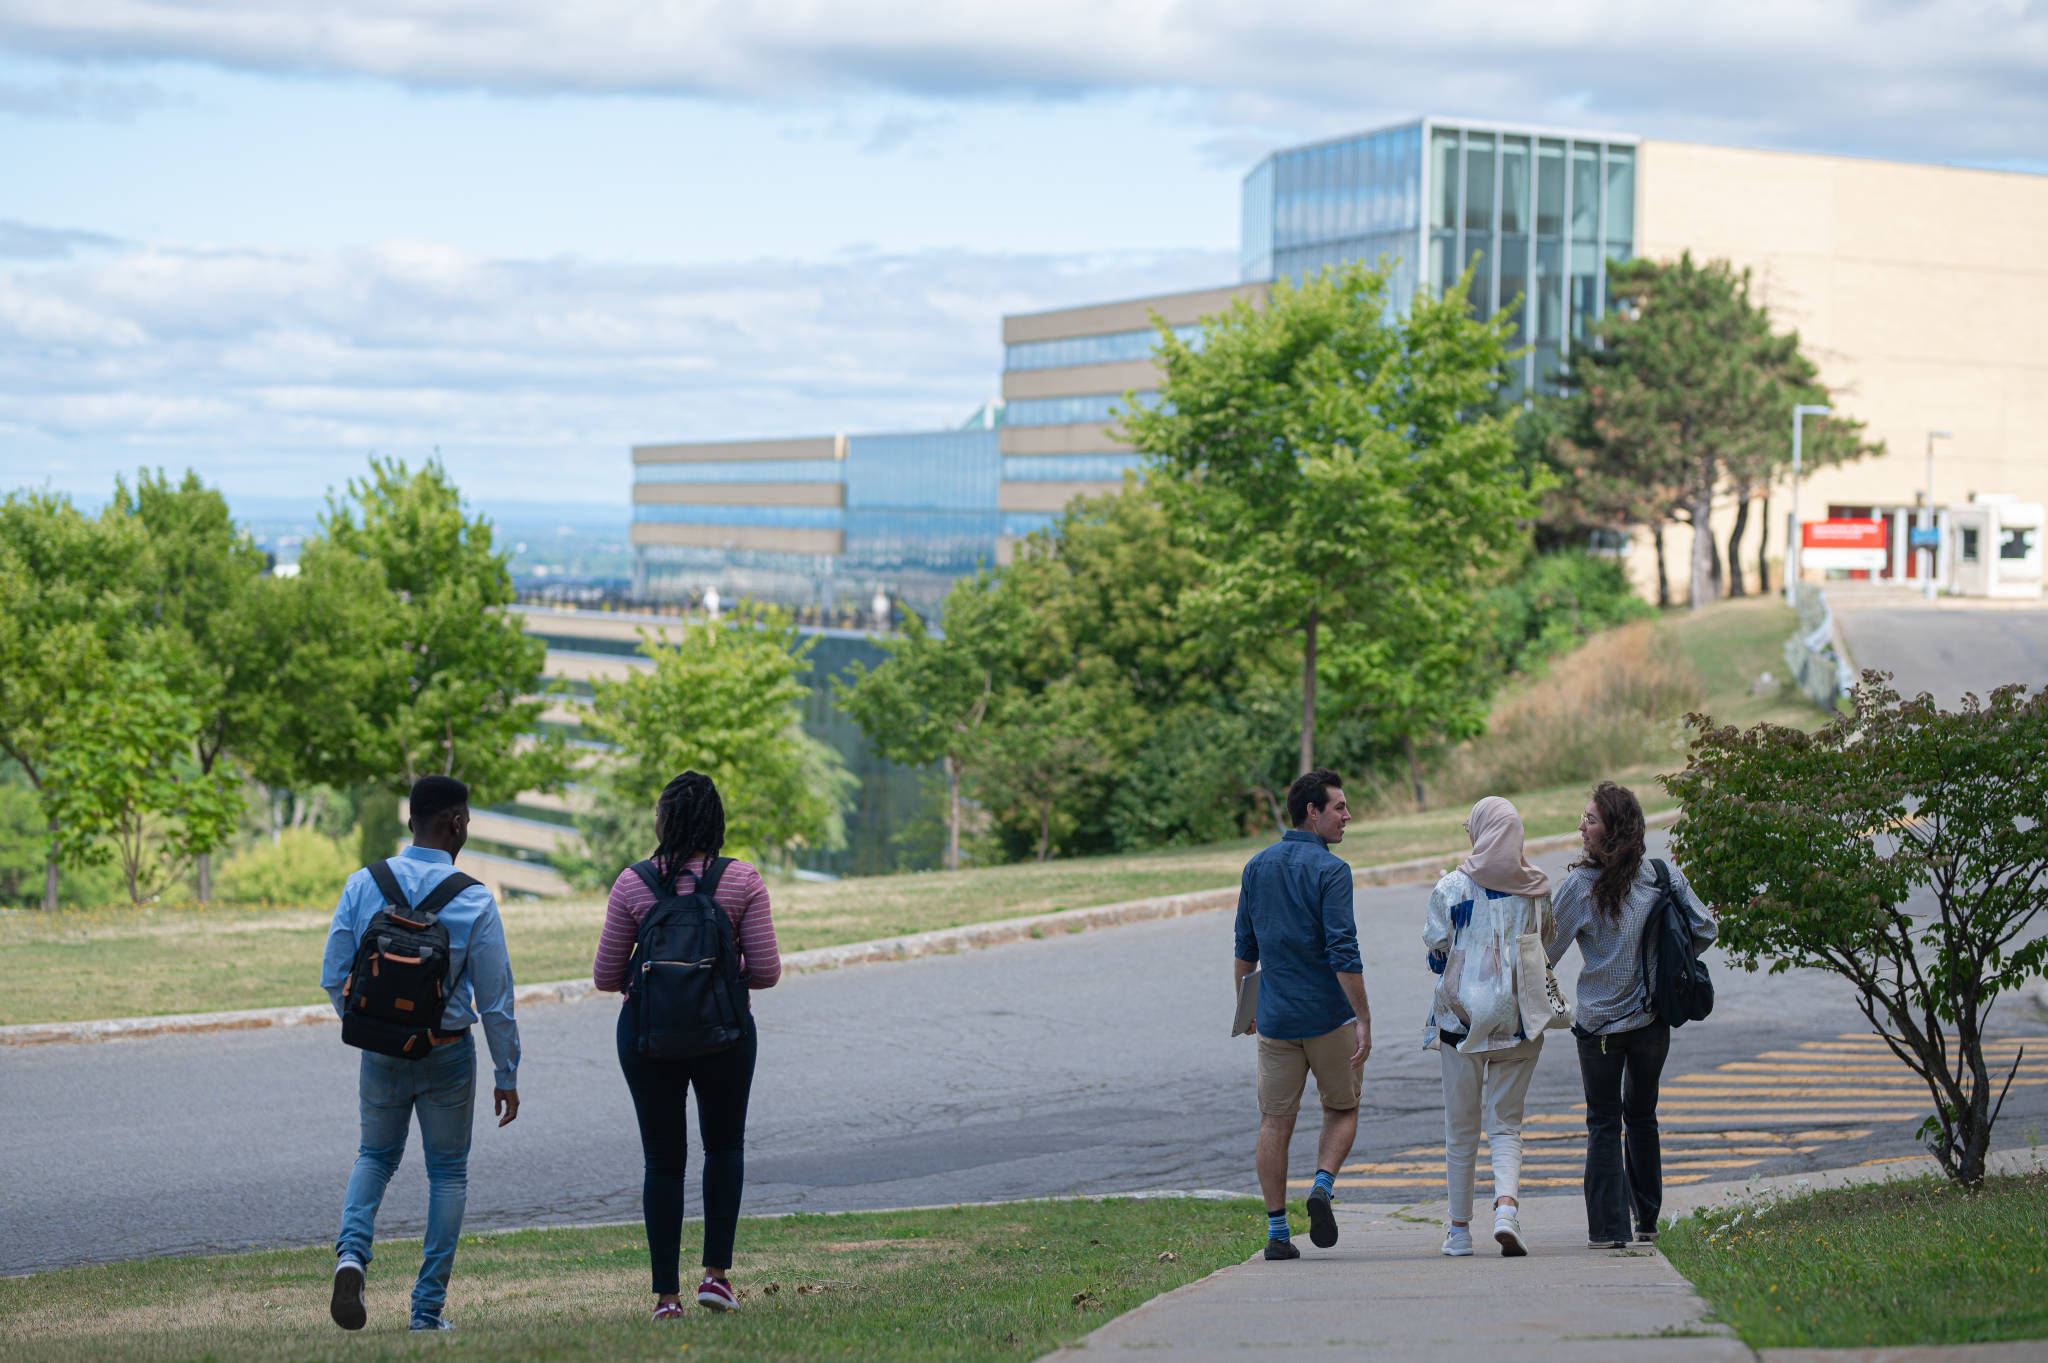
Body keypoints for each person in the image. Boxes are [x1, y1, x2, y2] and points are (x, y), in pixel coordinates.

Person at [321, 775, 522, 1333]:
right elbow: (497, 1000)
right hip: (448, 1053)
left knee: (374, 1157)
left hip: (380, 1053)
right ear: (456, 823)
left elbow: (332, 974)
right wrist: (507, 1072)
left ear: (412, 821)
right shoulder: (476, 899)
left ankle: (352, 1257)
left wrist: (371, 1028)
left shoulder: (364, 883)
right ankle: (426, 1313)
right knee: (448, 1175)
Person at [592, 771, 781, 1317]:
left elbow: (606, 976)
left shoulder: (632, 884)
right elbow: (766, 972)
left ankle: (666, 1298)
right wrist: (722, 968)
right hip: (724, 1034)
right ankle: (716, 1278)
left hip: (648, 1037)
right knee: (723, 1148)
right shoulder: (741, 880)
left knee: (663, 1160)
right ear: (715, 822)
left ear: (664, 822)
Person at [1547, 781, 1716, 1249]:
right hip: (1652, 1025)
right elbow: (1706, 928)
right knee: (1642, 1116)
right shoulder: (1662, 874)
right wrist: (1666, 966)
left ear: (1612, 829)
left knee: (1603, 1122)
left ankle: (1607, 1230)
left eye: (1590, 820)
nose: (1581, 827)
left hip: (1599, 1028)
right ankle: (1647, 1222)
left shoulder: (1580, 887)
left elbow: (1546, 952)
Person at [1232, 768, 1373, 1261]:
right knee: (1342, 1108)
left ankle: (1276, 1234)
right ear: (1312, 812)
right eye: (1339, 807)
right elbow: (1343, 950)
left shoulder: (1256, 867)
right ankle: (1321, 1185)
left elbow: (1245, 948)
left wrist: (1246, 1010)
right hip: (1329, 1019)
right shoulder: (1332, 870)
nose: (1347, 816)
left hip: (1275, 1021)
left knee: (1275, 1122)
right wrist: (1364, 1019)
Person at [1423, 796, 1553, 1259]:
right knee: (1506, 1127)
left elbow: (1437, 947)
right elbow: (1545, 941)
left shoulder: (1451, 887)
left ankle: (1459, 1232)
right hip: (1518, 1022)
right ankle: (1506, 1210)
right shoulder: (1536, 887)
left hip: (1459, 1024)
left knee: (1461, 1130)